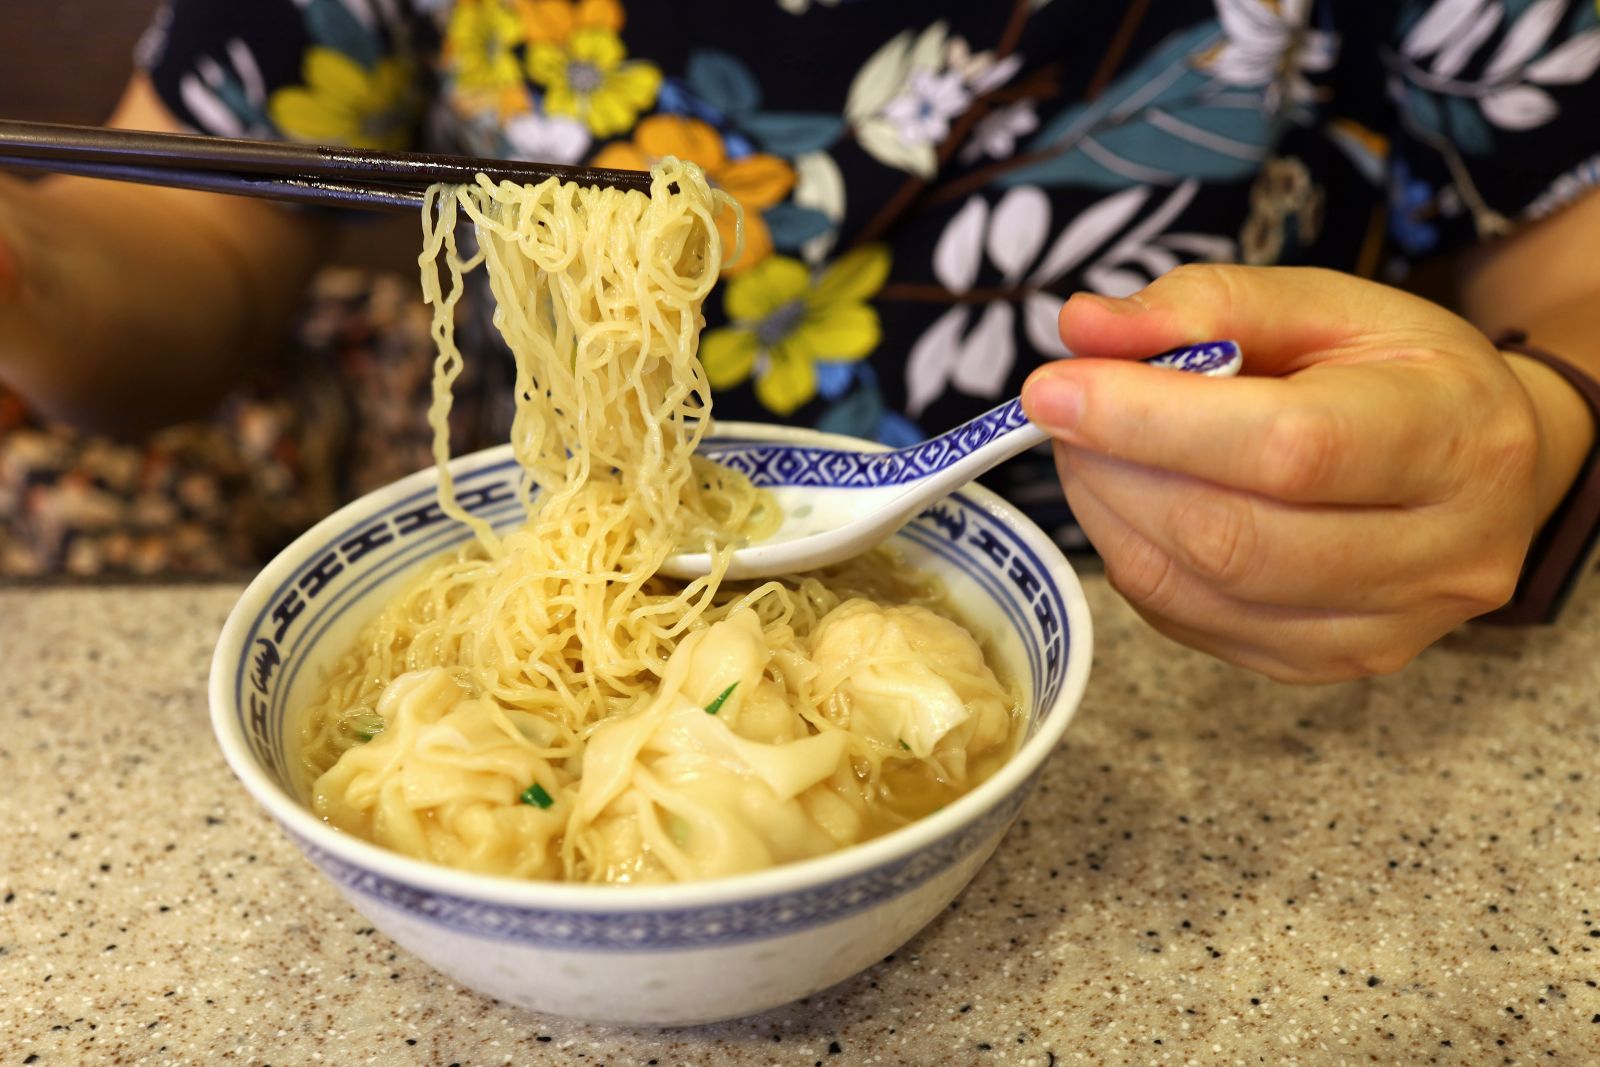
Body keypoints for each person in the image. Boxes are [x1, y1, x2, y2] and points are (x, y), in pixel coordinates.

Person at [1, 0, 1597, 683]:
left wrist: (1537, 430)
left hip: (1220, 650)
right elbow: (198, 238)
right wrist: (23, 272)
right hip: (532, 580)